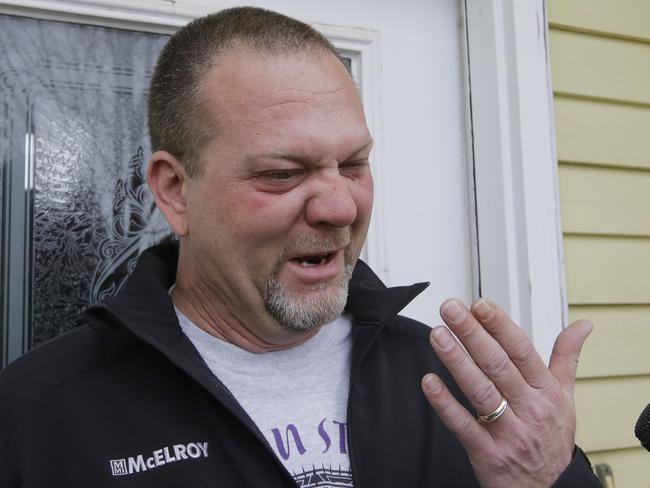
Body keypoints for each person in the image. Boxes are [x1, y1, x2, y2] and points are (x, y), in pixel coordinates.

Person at [0, 7, 600, 487]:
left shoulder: (459, 386)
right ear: (176, 190)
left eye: (354, 163)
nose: (341, 207)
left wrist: (548, 478)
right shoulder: (40, 414)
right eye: (283, 173)